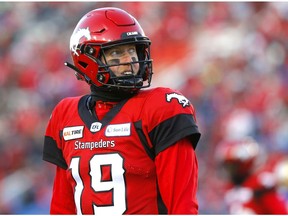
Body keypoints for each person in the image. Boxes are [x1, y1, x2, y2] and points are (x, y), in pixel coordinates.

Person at [42, 7, 201, 214]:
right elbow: (62, 208)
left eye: (132, 50)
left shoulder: (162, 107)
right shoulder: (65, 114)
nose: (130, 61)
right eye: (117, 52)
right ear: (87, 59)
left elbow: (182, 207)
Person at [215, 136, 288, 214]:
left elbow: (281, 212)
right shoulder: (231, 188)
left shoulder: (260, 186)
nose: (228, 170)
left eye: (231, 166)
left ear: (242, 164)